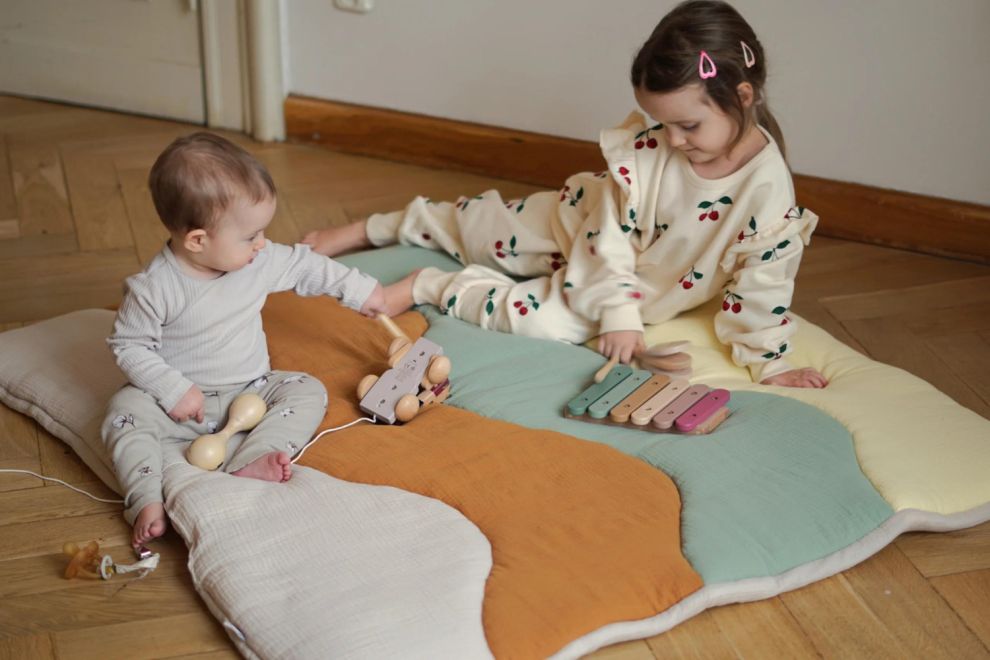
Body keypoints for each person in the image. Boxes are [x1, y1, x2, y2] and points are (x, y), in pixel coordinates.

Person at [302, 0, 827, 390]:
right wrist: (618, 314)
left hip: (626, 289)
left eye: (687, 125)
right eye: (663, 125)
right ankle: (370, 228)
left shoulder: (767, 193)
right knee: (476, 226)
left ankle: (429, 285)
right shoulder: (657, 150)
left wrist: (772, 364)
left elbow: (764, 283)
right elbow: (610, 231)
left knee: (540, 322)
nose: (672, 140)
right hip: (580, 226)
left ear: (742, 96)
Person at [103, 132, 388, 547]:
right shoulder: (154, 288)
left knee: (307, 389)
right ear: (197, 240)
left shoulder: (259, 260)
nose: (263, 243)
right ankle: (146, 499)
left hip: (251, 389)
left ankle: (254, 456)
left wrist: (361, 291)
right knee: (122, 412)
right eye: (250, 235)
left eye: (262, 232)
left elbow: (307, 267)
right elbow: (127, 345)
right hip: (180, 405)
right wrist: (172, 389)